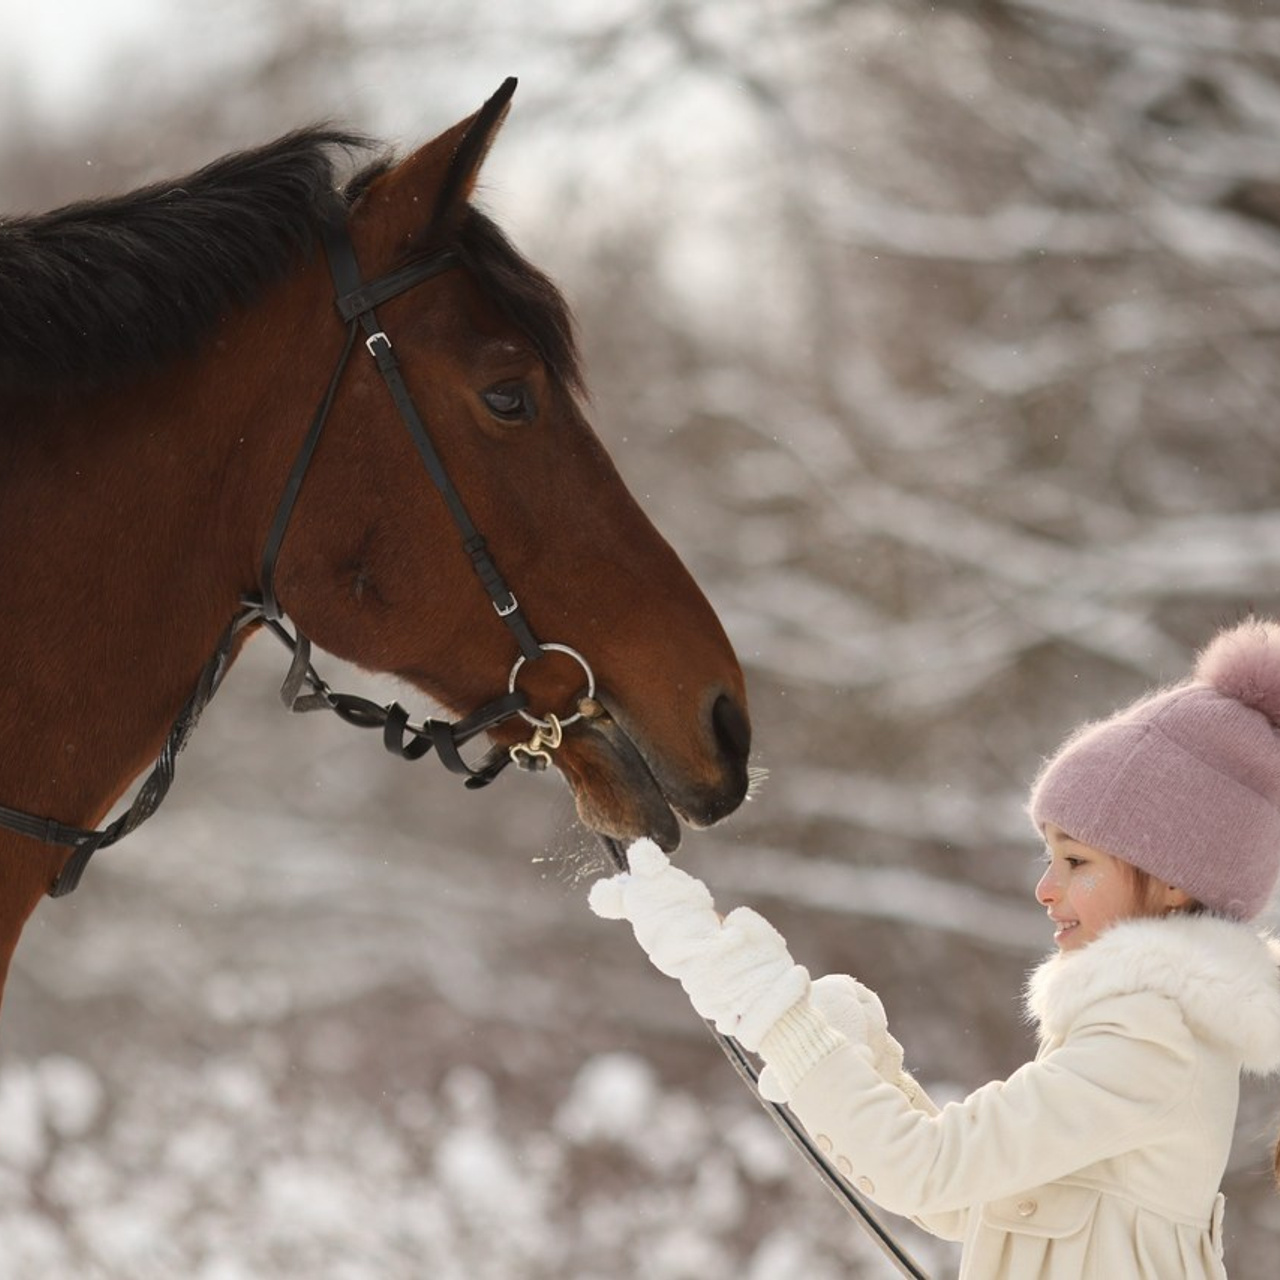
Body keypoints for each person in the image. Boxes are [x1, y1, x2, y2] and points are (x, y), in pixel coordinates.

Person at [590, 616, 1280, 1279]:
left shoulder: (1148, 1042)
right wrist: (862, 1065)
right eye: (1050, 858)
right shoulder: (1154, 1031)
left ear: (1171, 884)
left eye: (1077, 863)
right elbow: (965, 1200)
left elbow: (929, 1167)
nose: (1045, 887)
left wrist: (773, 1010)